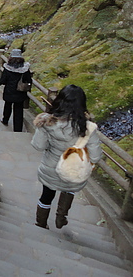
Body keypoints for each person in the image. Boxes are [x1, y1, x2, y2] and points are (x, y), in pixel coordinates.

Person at [31, 85, 102, 229]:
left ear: (59, 100)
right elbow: (96, 156)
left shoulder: (47, 121)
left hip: (51, 167)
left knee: (46, 195)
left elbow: (38, 146)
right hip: (73, 168)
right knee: (69, 189)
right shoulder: (87, 127)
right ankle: (61, 218)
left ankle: (41, 222)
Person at [0, 49, 32, 132]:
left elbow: (3, 80)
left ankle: (5, 120)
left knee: (7, 106)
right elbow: (29, 80)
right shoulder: (25, 69)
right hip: (20, 93)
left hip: (9, 92)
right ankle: (17, 129)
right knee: (18, 110)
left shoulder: (7, 68)